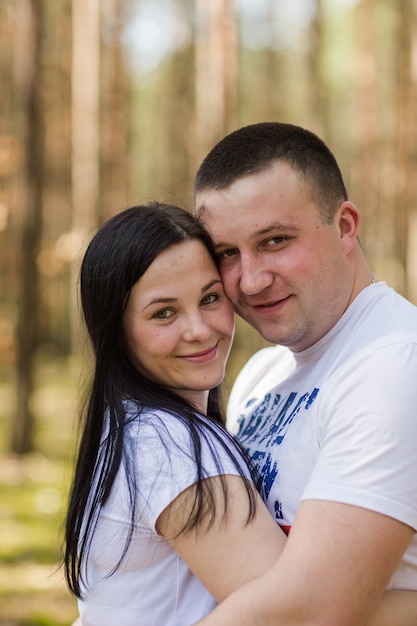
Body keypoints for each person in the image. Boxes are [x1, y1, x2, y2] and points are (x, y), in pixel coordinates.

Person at [193, 122, 417, 626]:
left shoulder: (395, 364)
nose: (251, 279)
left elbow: (318, 608)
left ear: (344, 227)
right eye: (227, 253)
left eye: (274, 240)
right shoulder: (260, 373)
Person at [63, 201, 287, 626]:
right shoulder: (169, 444)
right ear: (116, 330)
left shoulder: (130, 430)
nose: (199, 329)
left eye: (209, 298)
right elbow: (294, 613)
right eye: (163, 312)